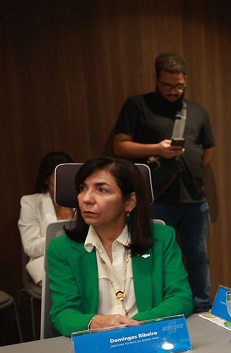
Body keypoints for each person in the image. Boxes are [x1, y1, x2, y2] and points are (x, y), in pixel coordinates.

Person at [112, 52, 215, 312]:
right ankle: (161, 310)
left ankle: (202, 308)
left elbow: (207, 152)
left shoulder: (197, 111)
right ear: (156, 79)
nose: (173, 91)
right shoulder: (138, 105)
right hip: (156, 198)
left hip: (194, 198)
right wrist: (156, 149)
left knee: (199, 257)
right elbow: (120, 145)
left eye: (179, 85)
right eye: (167, 85)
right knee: (156, 256)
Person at [47, 157, 194, 337]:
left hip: (150, 338)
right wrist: (96, 323)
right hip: (95, 343)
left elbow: (181, 298)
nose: (86, 198)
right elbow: (63, 314)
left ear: (129, 202)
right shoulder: (62, 248)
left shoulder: (162, 238)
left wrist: (135, 326)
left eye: (101, 190)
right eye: (83, 188)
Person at [18, 151, 76, 284]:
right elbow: (31, 248)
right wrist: (62, 235)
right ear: (46, 179)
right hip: (47, 262)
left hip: (79, 258)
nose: (64, 184)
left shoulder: (81, 200)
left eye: (68, 178)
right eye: (58, 179)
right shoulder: (30, 202)